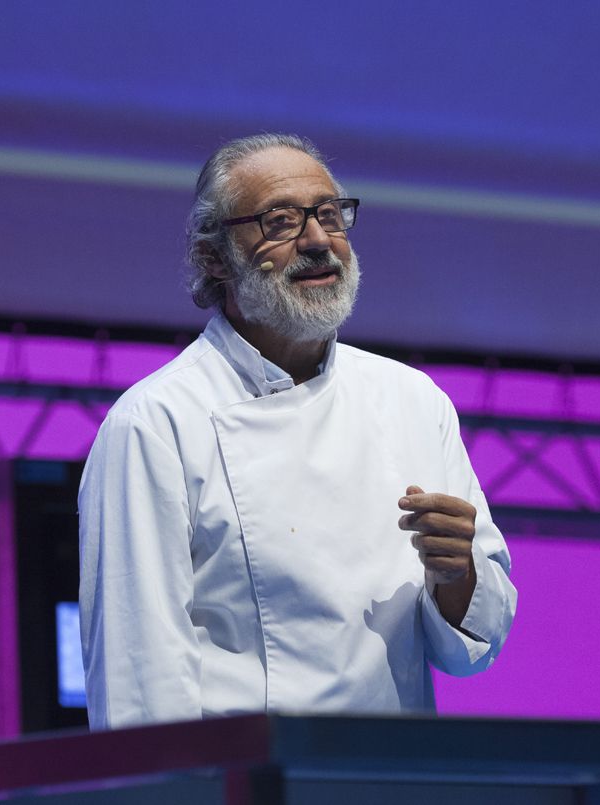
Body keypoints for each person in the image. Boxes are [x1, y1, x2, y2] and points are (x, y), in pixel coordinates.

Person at [78, 133, 517, 729]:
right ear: (214, 258)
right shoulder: (157, 422)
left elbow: (473, 650)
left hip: (389, 767)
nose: (317, 241)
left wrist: (458, 573)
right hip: (245, 772)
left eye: (330, 215)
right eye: (280, 222)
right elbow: (139, 675)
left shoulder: (412, 400)